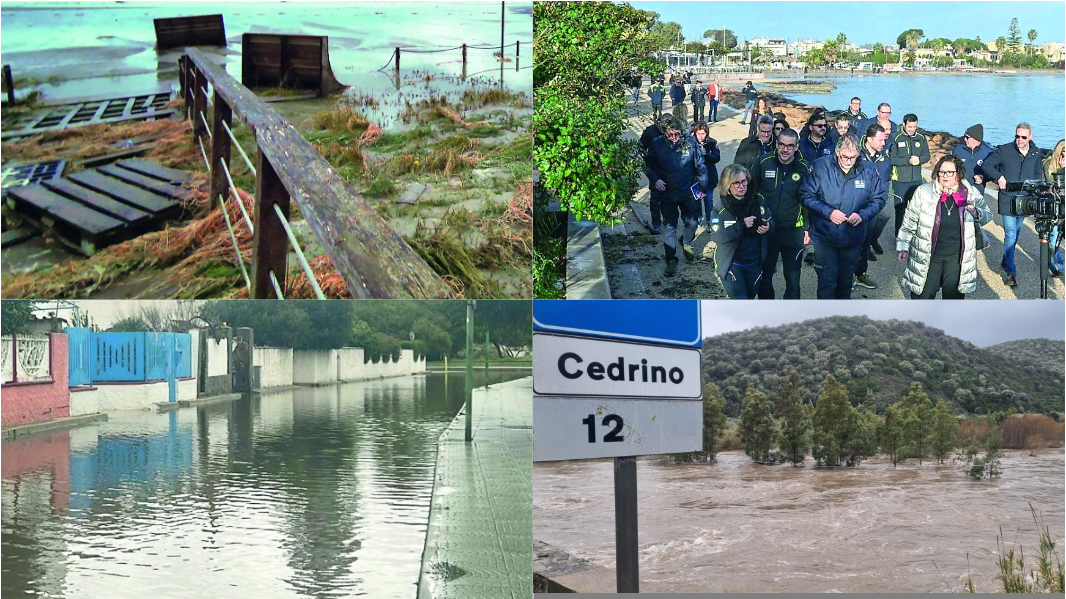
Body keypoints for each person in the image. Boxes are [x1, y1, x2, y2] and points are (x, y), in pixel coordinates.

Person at [800, 134, 888, 299]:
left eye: (853, 157)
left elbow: (880, 198)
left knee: (845, 283)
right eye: (844, 157)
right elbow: (805, 195)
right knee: (827, 283)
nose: (848, 161)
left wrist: (862, 215)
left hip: (853, 237)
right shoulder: (820, 167)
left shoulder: (868, 170)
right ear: (837, 151)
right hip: (824, 236)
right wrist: (829, 212)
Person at [897, 155, 993, 299]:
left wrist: (974, 211)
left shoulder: (969, 192)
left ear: (958, 174)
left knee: (952, 299)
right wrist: (903, 246)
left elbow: (988, 216)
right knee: (923, 296)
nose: (945, 176)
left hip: (956, 257)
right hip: (928, 255)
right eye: (942, 172)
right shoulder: (923, 192)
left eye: (950, 172)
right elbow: (909, 221)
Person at [981, 122, 1044, 287]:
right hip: (1008, 199)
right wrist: (998, 177)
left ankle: (1005, 260)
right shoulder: (1004, 150)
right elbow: (986, 164)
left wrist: (1036, 192)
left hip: (1025, 200)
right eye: (1017, 136)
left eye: (1023, 137)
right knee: (1010, 233)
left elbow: (1038, 174)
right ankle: (1011, 272)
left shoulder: (1036, 153)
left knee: (1016, 232)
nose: (1019, 139)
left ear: (1030, 137)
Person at [751, 128, 811, 299]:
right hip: (768, 229)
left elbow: (808, 200)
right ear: (776, 144)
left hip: (793, 230)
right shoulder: (764, 161)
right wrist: (756, 221)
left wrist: (807, 228)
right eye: (782, 145)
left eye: (790, 146)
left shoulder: (804, 167)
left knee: (793, 277)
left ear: (796, 147)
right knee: (765, 274)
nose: (785, 150)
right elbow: (751, 192)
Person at [645, 116, 709, 275]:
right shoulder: (657, 143)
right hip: (667, 192)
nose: (674, 138)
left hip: (688, 189)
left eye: (677, 134)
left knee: (693, 223)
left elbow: (700, 166)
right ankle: (671, 259)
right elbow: (647, 165)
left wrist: (702, 187)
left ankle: (685, 241)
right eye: (670, 134)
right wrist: (655, 180)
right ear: (665, 132)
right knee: (670, 227)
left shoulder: (690, 142)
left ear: (681, 132)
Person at [709, 164, 774, 299]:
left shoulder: (758, 200)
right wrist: (741, 225)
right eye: (736, 183)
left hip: (754, 262)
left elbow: (771, 221)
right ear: (728, 185)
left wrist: (768, 227)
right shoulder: (719, 209)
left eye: (743, 181)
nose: (741, 186)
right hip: (733, 263)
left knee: (749, 298)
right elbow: (717, 236)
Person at [853, 123, 891, 290]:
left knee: (865, 241)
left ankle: (861, 274)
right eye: (881, 140)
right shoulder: (857, 156)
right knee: (852, 242)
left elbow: (885, 181)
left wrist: (881, 200)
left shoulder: (884, 158)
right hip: (856, 205)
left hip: (873, 207)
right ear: (869, 139)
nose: (884, 143)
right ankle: (847, 276)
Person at [889, 113, 931, 237]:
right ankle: (899, 237)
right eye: (910, 127)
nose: (912, 129)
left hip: (916, 180)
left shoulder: (921, 138)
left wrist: (920, 160)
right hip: (900, 180)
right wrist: (908, 161)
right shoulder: (895, 138)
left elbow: (927, 155)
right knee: (900, 210)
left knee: (916, 210)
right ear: (904, 125)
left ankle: (914, 236)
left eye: (914, 127)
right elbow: (891, 159)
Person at [639, 114, 671, 234]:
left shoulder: (673, 130)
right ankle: (656, 222)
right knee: (655, 199)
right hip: (655, 169)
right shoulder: (650, 131)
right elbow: (640, 147)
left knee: (668, 198)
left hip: (669, 170)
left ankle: (667, 220)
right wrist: (647, 157)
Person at [1042, 139, 1065, 276]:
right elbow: (1051, 187)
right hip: (1055, 209)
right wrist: (1062, 171)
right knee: (1053, 240)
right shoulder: (1048, 166)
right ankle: (1055, 264)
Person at [952, 124, 994, 196]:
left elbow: (993, 171)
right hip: (958, 191)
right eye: (964, 136)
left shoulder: (988, 152)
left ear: (976, 139)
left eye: (967, 137)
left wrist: (983, 178)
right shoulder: (958, 150)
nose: (964, 139)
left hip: (977, 191)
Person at [693, 121, 721, 226]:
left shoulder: (712, 142)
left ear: (707, 133)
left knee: (708, 201)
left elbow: (717, 157)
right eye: (698, 134)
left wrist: (707, 155)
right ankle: (699, 217)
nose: (700, 136)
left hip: (709, 178)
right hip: (695, 179)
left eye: (703, 134)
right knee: (696, 201)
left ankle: (709, 220)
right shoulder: (691, 143)